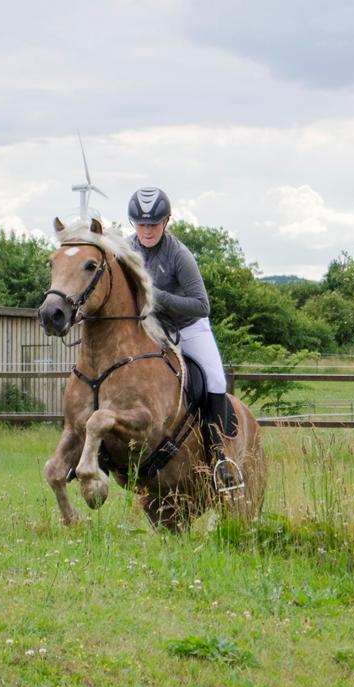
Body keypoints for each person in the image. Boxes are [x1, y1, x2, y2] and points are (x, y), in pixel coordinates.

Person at [127, 186, 241, 491]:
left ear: (166, 222)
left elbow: (202, 304)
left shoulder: (179, 255)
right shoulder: (126, 251)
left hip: (188, 329)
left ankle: (219, 456)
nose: (147, 230)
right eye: (141, 224)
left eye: (153, 224)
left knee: (215, 380)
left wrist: (158, 296)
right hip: (149, 330)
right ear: (133, 224)